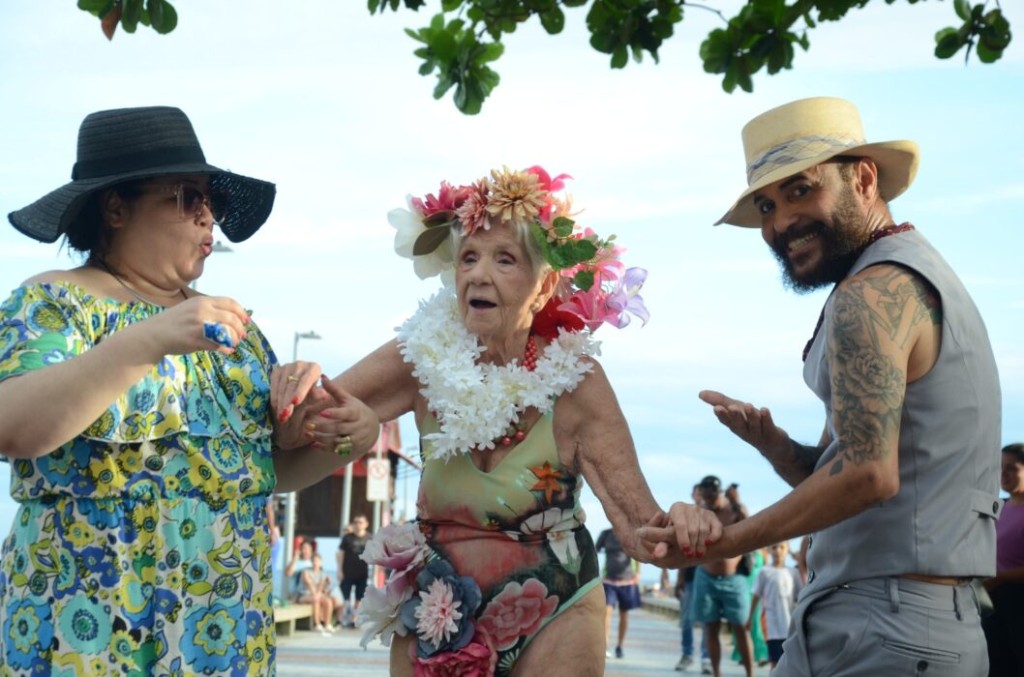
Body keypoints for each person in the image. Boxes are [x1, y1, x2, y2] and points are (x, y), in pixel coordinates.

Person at [273, 165, 721, 676]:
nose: (478, 274)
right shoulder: (418, 357)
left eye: (504, 259)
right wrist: (309, 404)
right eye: (468, 257)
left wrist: (690, 525)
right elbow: (294, 440)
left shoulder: (578, 380)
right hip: (440, 609)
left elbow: (643, 532)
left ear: (544, 282)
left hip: (558, 606)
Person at [643, 96, 1002, 676]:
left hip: (886, 630)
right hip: (884, 622)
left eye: (801, 191)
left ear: (863, 179)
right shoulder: (906, 273)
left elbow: (867, 473)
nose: (781, 222)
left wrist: (730, 540)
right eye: (767, 204)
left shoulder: (873, 292)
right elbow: (859, 475)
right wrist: (776, 447)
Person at [0, 105, 293, 675]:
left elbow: (265, 471)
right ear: (115, 207)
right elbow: (12, 425)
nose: (208, 217)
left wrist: (333, 434)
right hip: (85, 632)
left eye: (214, 201)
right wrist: (145, 341)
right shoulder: (54, 302)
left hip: (223, 632)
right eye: (187, 197)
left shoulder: (231, 326)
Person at [687, 476, 753, 677]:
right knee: (711, 626)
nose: (709, 500)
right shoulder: (701, 511)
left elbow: (749, 524)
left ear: (720, 492)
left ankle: (751, 674)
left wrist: (736, 501)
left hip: (734, 578)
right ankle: (716, 674)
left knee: (741, 627)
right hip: (706, 576)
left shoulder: (733, 509)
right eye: (705, 497)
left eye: (712, 497)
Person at [982, 443, 1024, 676]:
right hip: (994, 600)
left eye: (1011, 468)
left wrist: (1001, 577)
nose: (1003, 474)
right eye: (1000, 468)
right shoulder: (1001, 507)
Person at [747, 541, 801, 669]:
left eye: (782, 547)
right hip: (773, 628)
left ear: (787, 550)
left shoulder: (793, 572)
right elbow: (756, 596)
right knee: (775, 663)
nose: (778, 550)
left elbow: (800, 597)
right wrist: (749, 618)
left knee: (791, 664)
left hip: (791, 628)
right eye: (774, 547)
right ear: (769, 550)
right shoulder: (764, 571)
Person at [595, 527, 642, 659]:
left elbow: (637, 554)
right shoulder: (605, 534)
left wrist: (638, 573)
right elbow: (594, 551)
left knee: (624, 615)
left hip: (627, 581)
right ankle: (605, 646)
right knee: (606, 613)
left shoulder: (630, 533)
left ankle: (620, 646)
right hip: (609, 580)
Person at [336, 514, 371, 628]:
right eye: (355, 522)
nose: (357, 524)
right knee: (343, 597)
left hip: (362, 573)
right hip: (347, 572)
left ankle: (354, 619)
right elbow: (341, 554)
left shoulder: (370, 538)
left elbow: (376, 555)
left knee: (359, 598)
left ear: (366, 524)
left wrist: (376, 572)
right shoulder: (347, 538)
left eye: (360, 522)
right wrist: (339, 570)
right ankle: (340, 620)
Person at [296, 552, 338, 636]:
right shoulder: (306, 572)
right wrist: (318, 592)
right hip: (304, 595)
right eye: (314, 561)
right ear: (312, 562)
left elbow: (322, 588)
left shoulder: (323, 574)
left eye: (318, 561)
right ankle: (317, 624)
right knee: (316, 599)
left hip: (316, 594)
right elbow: (310, 586)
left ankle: (327, 624)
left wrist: (326, 583)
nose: (316, 563)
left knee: (328, 601)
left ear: (320, 562)